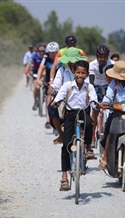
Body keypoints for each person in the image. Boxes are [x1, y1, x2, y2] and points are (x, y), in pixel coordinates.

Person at [50, 60, 98, 191]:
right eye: (78, 72)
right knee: (66, 145)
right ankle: (64, 176)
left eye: (83, 73)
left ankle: (88, 146)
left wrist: (96, 104)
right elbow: (60, 96)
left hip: (83, 112)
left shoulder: (90, 87)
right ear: (73, 72)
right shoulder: (67, 85)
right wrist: (56, 101)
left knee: (89, 124)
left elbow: (93, 99)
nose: (80, 75)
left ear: (87, 74)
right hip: (70, 114)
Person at [47, 47, 87, 145]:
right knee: (51, 108)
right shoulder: (62, 69)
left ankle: (89, 142)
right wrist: (52, 87)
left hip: (81, 97)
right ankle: (62, 134)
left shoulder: (83, 70)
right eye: (70, 61)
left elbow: (88, 83)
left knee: (89, 116)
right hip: (65, 98)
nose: (72, 63)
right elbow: (57, 83)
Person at [89, 45, 114, 148]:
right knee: (94, 110)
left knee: (111, 108)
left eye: (104, 57)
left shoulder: (113, 64)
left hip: (109, 86)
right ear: (97, 56)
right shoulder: (92, 64)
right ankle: (92, 137)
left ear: (108, 56)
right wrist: (92, 95)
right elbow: (90, 80)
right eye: (100, 57)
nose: (102, 59)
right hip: (95, 85)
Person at [36, 41, 60, 129]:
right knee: (49, 97)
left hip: (59, 79)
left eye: (54, 52)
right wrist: (38, 79)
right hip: (48, 80)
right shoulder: (46, 57)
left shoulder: (61, 57)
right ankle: (48, 119)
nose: (53, 54)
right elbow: (41, 68)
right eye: (51, 52)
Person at [25, 43, 46, 110]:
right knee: (35, 87)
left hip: (43, 73)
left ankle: (43, 96)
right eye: (40, 51)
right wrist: (27, 71)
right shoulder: (34, 55)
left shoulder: (46, 56)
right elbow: (29, 63)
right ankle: (35, 101)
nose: (42, 53)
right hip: (35, 72)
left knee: (45, 86)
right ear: (37, 51)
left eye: (43, 51)